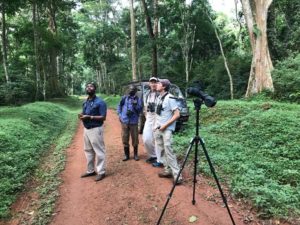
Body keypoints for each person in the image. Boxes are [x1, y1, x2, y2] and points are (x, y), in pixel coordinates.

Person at [154, 79, 183, 185]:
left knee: (169, 151)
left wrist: (165, 126)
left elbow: (177, 114)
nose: (157, 85)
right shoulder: (159, 97)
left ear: (164, 86)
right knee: (161, 150)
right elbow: (159, 114)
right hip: (158, 129)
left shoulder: (170, 98)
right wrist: (156, 126)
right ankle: (167, 170)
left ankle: (177, 175)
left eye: (159, 84)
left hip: (167, 130)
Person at [78, 82, 107, 182]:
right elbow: (84, 112)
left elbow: (103, 117)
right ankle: (90, 170)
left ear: (95, 89)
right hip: (86, 129)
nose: (88, 88)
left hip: (96, 129)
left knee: (99, 151)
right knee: (88, 150)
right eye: (87, 86)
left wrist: (90, 117)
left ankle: (101, 172)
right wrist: (82, 115)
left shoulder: (100, 102)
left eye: (91, 86)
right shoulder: (85, 102)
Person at [117, 85, 143, 161]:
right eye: (130, 89)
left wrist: (135, 106)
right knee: (125, 138)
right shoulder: (124, 98)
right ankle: (126, 155)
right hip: (124, 121)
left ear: (135, 91)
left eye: (133, 89)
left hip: (133, 121)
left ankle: (135, 155)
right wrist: (119, 115)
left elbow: (139, 110)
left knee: (135, 138)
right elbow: (119, 106)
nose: (131, 90)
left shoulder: (138, 99)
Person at [142, 77, 163, 167]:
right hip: (149, 117)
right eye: (152, 82)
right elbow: (145, 107)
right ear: (149, 84)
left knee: (158, 139)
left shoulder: (161, 94)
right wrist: (146, 116)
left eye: (155, 82)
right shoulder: (147, 94)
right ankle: (153, 155)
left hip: (158, 117)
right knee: (146, 138)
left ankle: (160, 160)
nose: (153, 84)